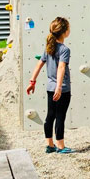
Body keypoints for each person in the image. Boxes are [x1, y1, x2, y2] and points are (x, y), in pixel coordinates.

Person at [26, 17, 74, 154]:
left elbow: (39, 65)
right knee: (60, 117)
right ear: (65, 32)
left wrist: (32, 81)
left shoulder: (49, 48)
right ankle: (60, 146)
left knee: (50, 116)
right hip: (61, 89)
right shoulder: (64, 49)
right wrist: (59, 87)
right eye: (68, 28)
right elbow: (61, 68)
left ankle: (50, 144)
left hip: (49, 88)